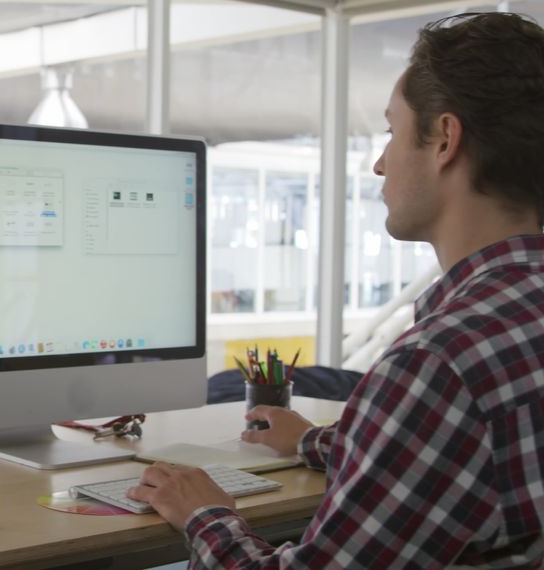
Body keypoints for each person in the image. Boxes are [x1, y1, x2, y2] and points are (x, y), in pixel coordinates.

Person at [127, 12, 544, 568]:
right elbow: (465, 450)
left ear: (445, 139)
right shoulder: (511, 325)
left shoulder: (438, 365)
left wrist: (206, 513)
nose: (379, 164)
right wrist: (317, 440)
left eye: (392, 132)